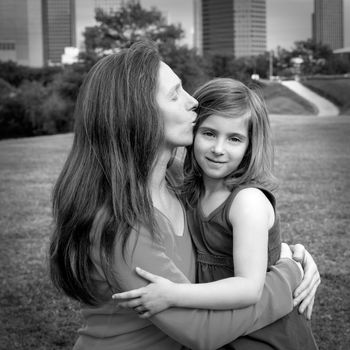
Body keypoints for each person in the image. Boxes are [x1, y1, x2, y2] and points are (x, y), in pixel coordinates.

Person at [49, 41, 320, 350]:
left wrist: (287, 251)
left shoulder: (179, 181)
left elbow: (228, 239)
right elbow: (204, 331)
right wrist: (288, 275)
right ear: (139, 113)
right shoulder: (120, 223)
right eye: (175, 94)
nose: (194, 102)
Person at [112, 78, 319, 349]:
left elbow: (249, 287)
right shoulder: (187, 188)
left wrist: (174, 294)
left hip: (264, 332)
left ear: (250, 146)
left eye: (234, 139)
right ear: (193, 131)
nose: (218, 149)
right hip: (223, 324)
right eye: (209, 133)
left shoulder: (247, 202)